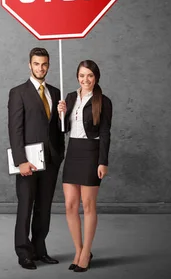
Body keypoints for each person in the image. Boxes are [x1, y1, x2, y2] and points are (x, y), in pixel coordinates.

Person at [7, 47, 65, 270]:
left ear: (49, 65)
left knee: (44, 207)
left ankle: (40, 249)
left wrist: (63, 115)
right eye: (37, 64)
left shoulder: (56, 93)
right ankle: (23, 252)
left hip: (50, 160)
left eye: (44, 64)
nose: (41, 68)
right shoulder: (18, 92)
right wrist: (20, 160)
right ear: (29, 65)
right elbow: (15, 129)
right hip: (28, 161)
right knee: (26, 206)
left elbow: (62, 129)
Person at [57, 60, 113, 273]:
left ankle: (86, 251)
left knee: (88, 205)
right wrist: (61, 113)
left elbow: (106, 132)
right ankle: (79, 250)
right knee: (70, 205)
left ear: (96, 77)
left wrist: (103, 161)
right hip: (73, 152)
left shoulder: (103, 101)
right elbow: (64, 130)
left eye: (90, 75)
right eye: (82, 75)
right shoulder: (71, 97)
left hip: (91, 153)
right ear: (77, 76)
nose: (85, 79)